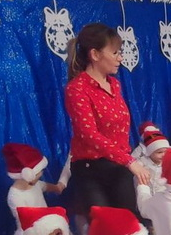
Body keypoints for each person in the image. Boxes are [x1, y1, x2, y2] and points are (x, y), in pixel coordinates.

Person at [64, 22, 150, 221]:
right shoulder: (77, 89)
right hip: (91, 169)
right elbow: (88, 134)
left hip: (119, 166)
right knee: (103, 226)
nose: (120, 58)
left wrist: (125, 160)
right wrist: (129, 161)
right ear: (95, 54)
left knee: (127, 223)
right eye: (115, 53)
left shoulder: (115, 85)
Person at [2, 143, 71, 235]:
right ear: (28, 173)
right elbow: (26, 220)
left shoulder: (36, 184)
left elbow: (55, 188)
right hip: (31, 232)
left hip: (48, 227)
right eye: (39, 171)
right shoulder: (15, 196)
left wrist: (61, 184)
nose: (41, 174)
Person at [134, 128, 170, 196]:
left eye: (166, 152)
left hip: (162, 195)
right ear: (150, 152)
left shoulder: (168, 162)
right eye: (159, 152)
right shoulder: (143, 161)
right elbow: (133, 164)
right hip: (145, 194)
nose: (163, 155)